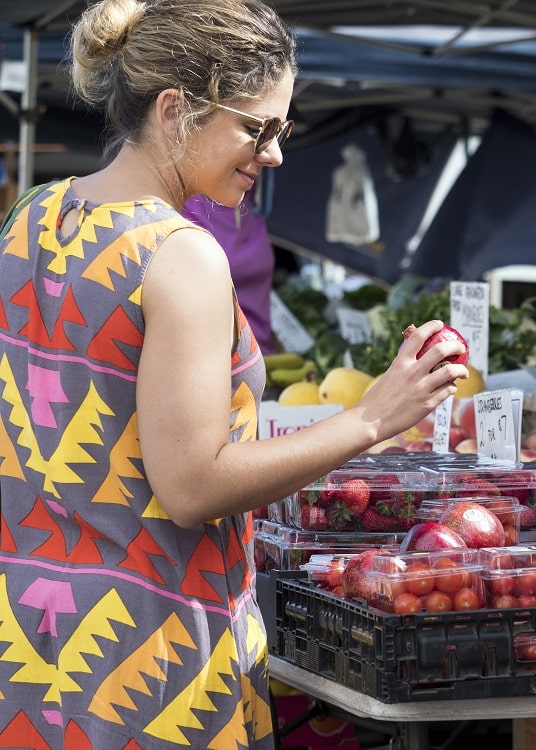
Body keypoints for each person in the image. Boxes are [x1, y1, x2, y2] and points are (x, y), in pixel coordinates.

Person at [0, 1, 467, 748]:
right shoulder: (180, 255)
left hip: (29, 643)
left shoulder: (30, 214)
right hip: (147, 664)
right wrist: (371, 418)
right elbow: (192, 487)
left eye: (281, 129)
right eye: (257, 127)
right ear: (174, 110)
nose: (275, 153)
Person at [184, 184, 279, 353]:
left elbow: (256, 300)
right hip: (214, 368)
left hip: (267, 361)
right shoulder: (180, 206)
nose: (274, 158)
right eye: (255, 154)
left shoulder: (252, 200)